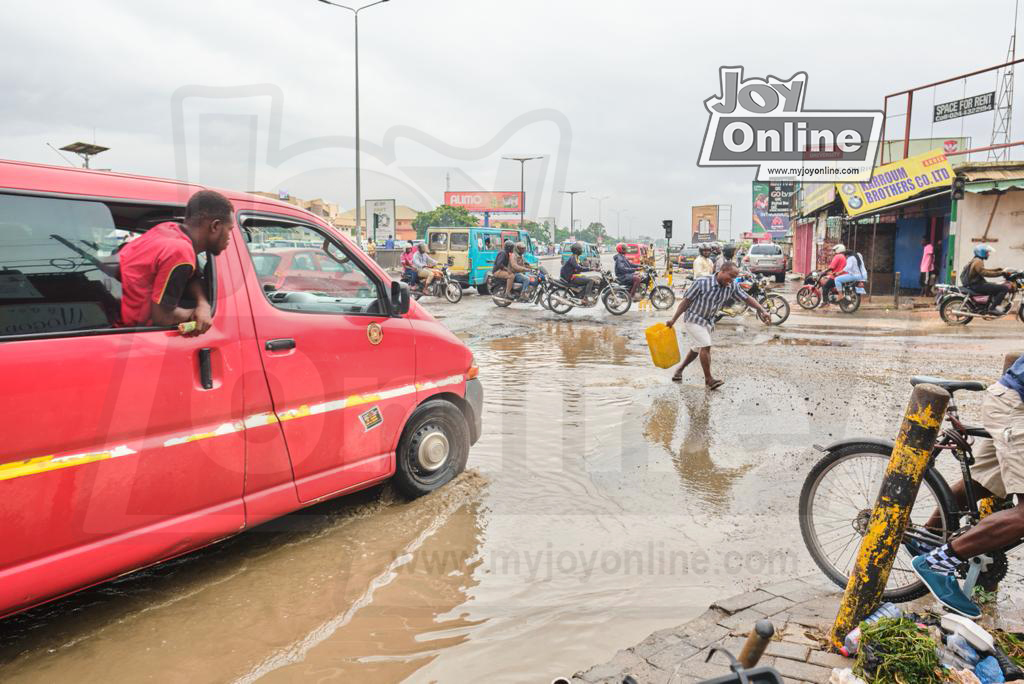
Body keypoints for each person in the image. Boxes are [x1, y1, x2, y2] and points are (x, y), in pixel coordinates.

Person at [913, 353, 1024, 618]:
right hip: (1015, 407)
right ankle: (935, 563)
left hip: (1013, 399)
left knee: (984, 483)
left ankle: (928, 540)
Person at [118, 189, 233, 334]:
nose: (229, 237)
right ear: (215, 226)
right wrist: (196, 314)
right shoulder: (179, 251)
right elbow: (161, 317)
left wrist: (203, 304)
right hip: (128, 332)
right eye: (229, 230)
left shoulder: (169, 229)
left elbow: (193, 275)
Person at [666, 262, 771, 389]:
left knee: (697, 348)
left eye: (734, 277)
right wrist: (673, 320)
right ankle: (709, 380)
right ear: (722, 271)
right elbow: (686, 302)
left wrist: (762, 310)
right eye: (730, 276)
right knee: (705, 345)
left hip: (708, 321)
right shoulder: (701, 283)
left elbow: (747, 298)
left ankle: (679, 370)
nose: (732, 280)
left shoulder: (732, 286)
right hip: (693, 318)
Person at [960, 244, 1010, 312]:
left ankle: (989, 305)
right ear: (982, 252)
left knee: (995, 286)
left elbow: (984, 270)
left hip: (975, 284)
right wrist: (1000, 273)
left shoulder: (976, 260)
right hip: (977, 285)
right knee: (1004, 288)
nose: (988, 254)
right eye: (987, 252)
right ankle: (992, 308)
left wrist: (997, 269)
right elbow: (985, 273)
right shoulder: (978, 261)